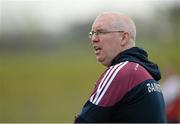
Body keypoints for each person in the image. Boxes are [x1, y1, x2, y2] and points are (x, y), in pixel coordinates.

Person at [74, 11, 166, 123]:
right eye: (92, 33)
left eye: (100, 32)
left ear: (123, 37)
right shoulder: (147, 74)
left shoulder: (123, 71)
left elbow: (85, 121)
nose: (94, 38)